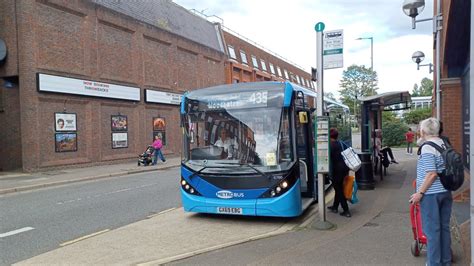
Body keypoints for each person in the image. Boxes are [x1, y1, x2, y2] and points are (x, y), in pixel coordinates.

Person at [410, 117, 452, 265]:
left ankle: (434, 263)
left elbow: (431, 173)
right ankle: (446, 260)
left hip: (431, 195)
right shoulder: (444, 143)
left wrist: (419, 193)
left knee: (432, 231)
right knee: (444, 228)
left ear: (423, 131)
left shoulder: (428, 147)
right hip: (445, 192)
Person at [327, 128, 351, 217]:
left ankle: (346, 210)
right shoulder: (340, 143)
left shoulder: (330, 146)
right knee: (339, 187)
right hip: (344, 168)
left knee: (339, 190)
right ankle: (335, 207)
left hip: (337, 170)